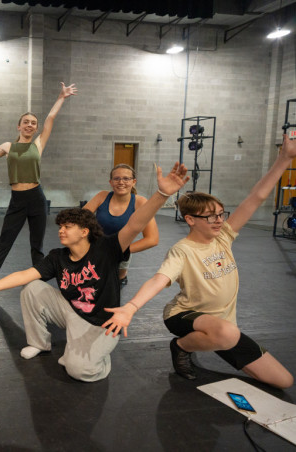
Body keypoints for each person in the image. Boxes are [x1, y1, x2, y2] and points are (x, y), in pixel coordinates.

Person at [0, 162, 189, 382]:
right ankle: (40, 343)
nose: (61, 231)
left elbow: (136, 225)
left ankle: (98, 358)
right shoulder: (57, 256)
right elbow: (24, 274)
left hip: (101, 324)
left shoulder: (108, 249)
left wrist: (162, 193)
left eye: (67, 227)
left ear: (84, 232)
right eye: (60, 227)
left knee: (79, 371)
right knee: (31, 287)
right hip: (71, 312)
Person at [102, 135, 296, 389]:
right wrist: (131, 307)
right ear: (190, 220)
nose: (218, 221)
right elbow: (158, 280)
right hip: (183, 316)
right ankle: (181, 345)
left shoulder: (224, 237)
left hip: (222, 326)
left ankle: (214, 339)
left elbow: (256, 197)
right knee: (227, 334)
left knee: (283, 380)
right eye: (209, 217)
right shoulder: (182, 250)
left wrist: (284, 158)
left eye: (220, 215)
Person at [0, 82, 77, 285]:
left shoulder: (38, 144)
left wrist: (61, 97)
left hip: (36, 198)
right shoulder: (7, 146)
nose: (30, 125)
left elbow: (50, 119)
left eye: (33, 123)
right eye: (26, 122)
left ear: (36, 128)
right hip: (17, 200)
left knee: (36, 245)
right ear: (19, 126)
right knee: (5, 243)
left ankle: (39, 286)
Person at [82, 163, 159, 287]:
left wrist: (120, 251)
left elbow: (152, 239)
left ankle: (120, 281)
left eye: (126, 178)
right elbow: (79, 219)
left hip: (120, 254)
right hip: (96, 251)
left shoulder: (140, 202)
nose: (121, 182)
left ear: (133, 182)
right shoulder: (102, 196)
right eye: (116, 178)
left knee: (112, 288)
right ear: (111, 182)